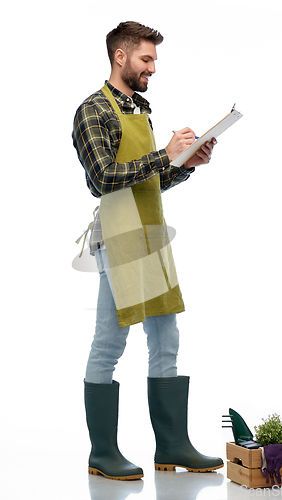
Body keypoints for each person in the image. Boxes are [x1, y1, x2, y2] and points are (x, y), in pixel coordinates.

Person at [72, 21, 223, 481]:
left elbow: (147, 181)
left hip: (150, 233)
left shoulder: (138, 107)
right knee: (110, 343)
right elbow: (102, 179)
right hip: (116, 238)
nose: (152, 68)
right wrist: (163, 155)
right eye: (146, 59)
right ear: (121, 57)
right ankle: (102, 454)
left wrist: (184, 163)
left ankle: (173, 445)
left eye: (153, 60)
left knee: (165, 340)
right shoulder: (92, 111)